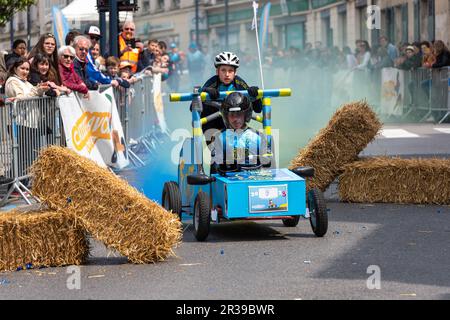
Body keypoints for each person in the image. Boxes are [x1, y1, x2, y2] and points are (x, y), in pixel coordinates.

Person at [198, 51, 261, 143]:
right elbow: (193, 107)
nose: (227, 74)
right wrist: (204, 91)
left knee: (239, 150)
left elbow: (258, 109)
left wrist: (255, 95)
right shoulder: (212, 83)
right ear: (217, 71)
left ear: (235, 73)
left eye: (230, 71)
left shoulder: (239, 83)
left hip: (234, 123)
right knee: (221, 151)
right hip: (212, 125)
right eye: (223, 70)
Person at [210, 92, 267, 174]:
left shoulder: (259, 137)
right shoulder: (218, 137)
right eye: (232, 115)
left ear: (246, 115)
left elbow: (269, 168)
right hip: (229, 182)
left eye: (239, 114)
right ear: (226, 116)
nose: (236, 119)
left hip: (254, 181)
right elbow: (215, 171)